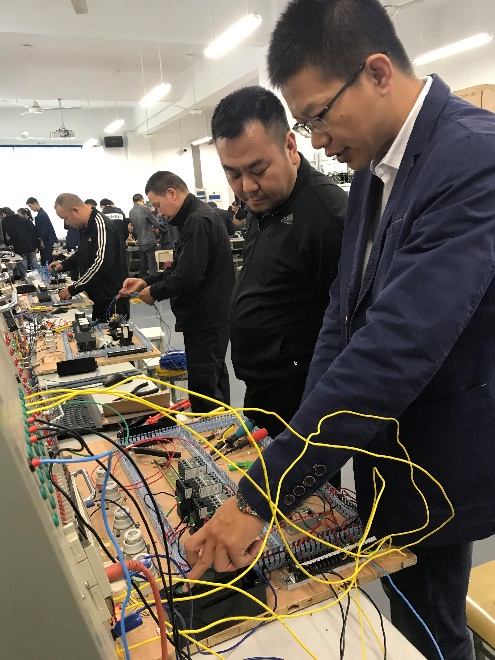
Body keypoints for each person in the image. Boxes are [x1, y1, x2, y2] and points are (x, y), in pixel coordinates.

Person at [184, 2, 495, 659]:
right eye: (305, 123)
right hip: (381, 445)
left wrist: (266, 492)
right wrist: (297, 451)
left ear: (377, 73)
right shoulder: (374, 170)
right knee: (407, 611)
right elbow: (342, 318)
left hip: (442, 448)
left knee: (432, 621)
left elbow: (395, 345)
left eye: (318, 116)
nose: (316, 139)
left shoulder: (473, 155)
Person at [212, 85, 347, 441]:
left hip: (301, 397)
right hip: (261, 387)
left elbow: (349, 328)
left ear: (290, 146)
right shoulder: (264, 203)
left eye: (257, 169)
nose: (247, 187)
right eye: (233, 173)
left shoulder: (327, 217)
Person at [119, 171, 235, 413]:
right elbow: (179, 268)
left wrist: (155, 292)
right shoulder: (192, 219)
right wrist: (145, 281)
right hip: (205, 317)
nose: (159, 213)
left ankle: (211, 431)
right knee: (212, 377)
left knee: (205, 387)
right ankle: (220, 426)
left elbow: (189, 275)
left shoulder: (199, 220)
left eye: (158, 205)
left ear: (172, 193)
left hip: (207, 318)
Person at [49, 194, 129, 322]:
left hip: (111, 297)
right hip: (98, 295)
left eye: (66, 218)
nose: (67, 223)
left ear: (75, 210)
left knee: (112, 332)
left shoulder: (101, 224)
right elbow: (82, 253)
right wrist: (64, 264)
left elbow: (101, 262)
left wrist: (74, 288)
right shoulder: (85, 227)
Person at [0, 207, 39, 276]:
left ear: (3, 214)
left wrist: (8, 243)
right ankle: (38, 280)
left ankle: (26, 281)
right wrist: (36, 246)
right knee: (36, 268)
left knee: (24, 271)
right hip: (30, 246)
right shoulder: (24, 219)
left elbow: (5, 238)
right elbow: (33, 233)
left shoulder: (4, 222)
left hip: (19, 249)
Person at [128, 193, 159, 277]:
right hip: (149, 240)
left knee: (143, 265)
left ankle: (142, 281)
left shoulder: (131, 212)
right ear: (142, 200)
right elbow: (156, 223)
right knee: (152, 265)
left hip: (140, 242)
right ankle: (153, 282)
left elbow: (133, 229)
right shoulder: (145, 208)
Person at [26, 196, 58, 266]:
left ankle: (48, 272)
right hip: (47, 240)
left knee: (46, 260)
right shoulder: (41, 214)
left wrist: (41, 240)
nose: (31, 209)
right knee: (46, 259)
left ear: (35, 203)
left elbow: (44, 229)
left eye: (30, 206)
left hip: (46, 241)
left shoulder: (41, 215)